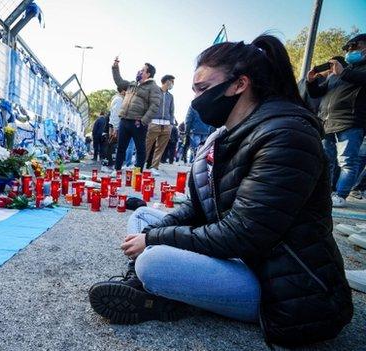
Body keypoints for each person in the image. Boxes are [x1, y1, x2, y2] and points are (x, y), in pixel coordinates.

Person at [89, 35, 353, 347]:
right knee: (145, 217)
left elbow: (242, 234)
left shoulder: (287, 136)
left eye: (203, 88)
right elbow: (198, 206)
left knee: (152, 261)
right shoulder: (224, 135)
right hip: (240, 257)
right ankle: (160, 288)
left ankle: (160, 290)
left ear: (239, 84)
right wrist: (154, 231)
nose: (197, 99)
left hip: (281, 289)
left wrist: (154, 240)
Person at [306, 33, 366, 208]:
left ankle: (340, 194)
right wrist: (311, 82)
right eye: (347, 49)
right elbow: (317, 93)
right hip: (328, 124)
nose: (349, 51)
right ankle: (327, 193)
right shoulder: (338, 75)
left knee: (347, 161)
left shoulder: (353, 72)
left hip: (351, 123)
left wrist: (344, 72)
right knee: (326, 161)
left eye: (353, 47)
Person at [112, 59, 162, 171]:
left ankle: (138, 172)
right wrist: (115, 67)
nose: (139, 71)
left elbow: (154, 106)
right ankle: (117, 170)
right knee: (121, 147)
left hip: (138, 122)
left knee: (140, 148)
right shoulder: (132, 84)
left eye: (142, 70)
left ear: (148, 74)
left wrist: (143, 120)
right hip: (124, 120)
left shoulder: (153, 87)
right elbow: (119, 81)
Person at [144, 75, 175, 175]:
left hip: (166, 125)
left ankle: (154, 167)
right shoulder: (155, 92)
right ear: (166, 82)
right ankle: (140, 164)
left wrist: (171, 124)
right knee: (146, 145)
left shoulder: (171, 96)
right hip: (154, 123)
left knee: (160, 148)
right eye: (172, 82)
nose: (173, 84)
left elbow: (172, 111)